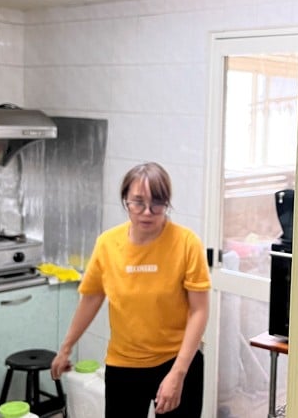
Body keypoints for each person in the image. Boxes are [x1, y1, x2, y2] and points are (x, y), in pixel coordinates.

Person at [51, 162, 211, 417]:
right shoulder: (108, 244)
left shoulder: (186, 243)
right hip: (124, 365)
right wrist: (66, 347)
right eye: (138, 202)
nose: (147, 212)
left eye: (157, 203)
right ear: (125, 200)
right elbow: (91, 297)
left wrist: (177, 374)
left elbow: (199, 311)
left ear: (167, 203)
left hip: (177, 361)